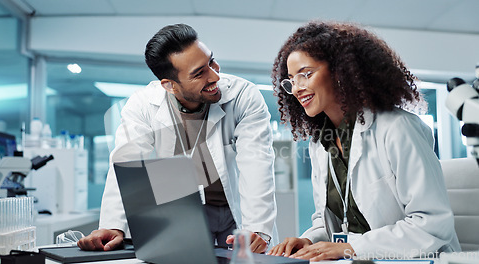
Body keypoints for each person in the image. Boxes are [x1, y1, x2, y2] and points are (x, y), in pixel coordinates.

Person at [267, 21, 461, 261]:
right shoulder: (321, 143)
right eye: (291, 80)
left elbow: (431, 224)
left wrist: (352, 247)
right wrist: (310, 240)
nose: (297, 88)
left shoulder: (397, 128)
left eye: (306, 74)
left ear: (340, 71)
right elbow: (332, 223)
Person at [77, 23, 277, 253]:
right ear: (170, 85)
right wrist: (113, 225)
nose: (215, 75)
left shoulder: (243, 95)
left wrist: (257, 228)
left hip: (239, 210)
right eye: (199, 73)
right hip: (190, 211)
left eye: (211, 61)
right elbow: (126, 165)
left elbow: (257, 163)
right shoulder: (142, 105)